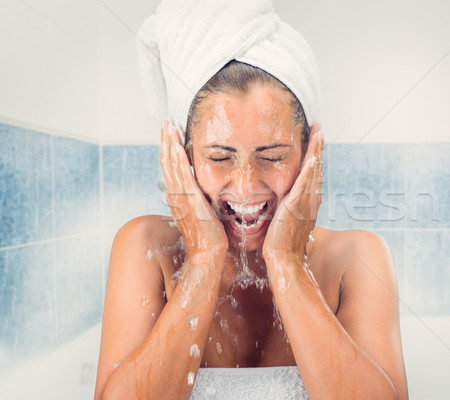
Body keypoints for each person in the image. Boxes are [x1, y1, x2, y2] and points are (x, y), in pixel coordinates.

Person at [94, 2, 408, 400]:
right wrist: (204, 258)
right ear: (183, 155)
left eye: (273, 156)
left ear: (311, 152)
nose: (244, 188)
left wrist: (288, 264)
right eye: (220, 157)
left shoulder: (357, 259)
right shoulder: (147, 250)